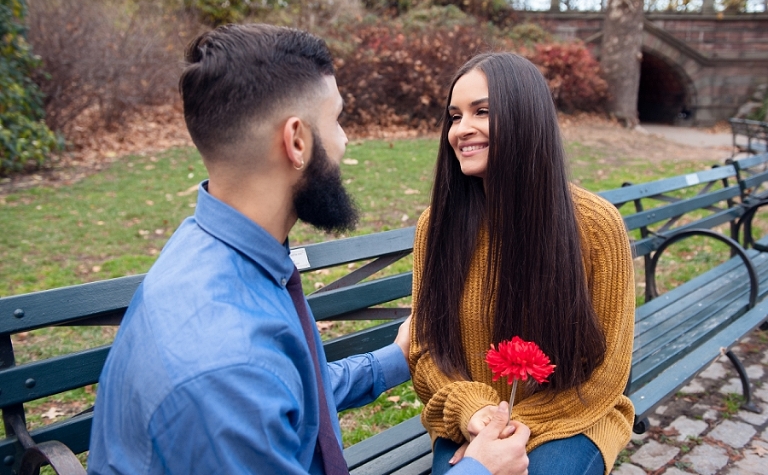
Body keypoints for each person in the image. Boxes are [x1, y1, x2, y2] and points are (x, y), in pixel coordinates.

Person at [87, 24, 531, 475]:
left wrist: (392, 359)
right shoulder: (223, 361)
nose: (344, 141)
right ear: (296, 141)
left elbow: (281, 394)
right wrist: (479, 470)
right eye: (336, 120)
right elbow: (245, 384)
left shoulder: (214, 250)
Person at [410, 52, 636, 475]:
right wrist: (474, 413)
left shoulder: (596, 226)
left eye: (482, 112)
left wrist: (512, 430)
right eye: (454, 117)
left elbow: (607, 373)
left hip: (575, 416)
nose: (462, 130)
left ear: (525, 118)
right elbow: (426, 351)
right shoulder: (435, 227)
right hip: (469, 420)